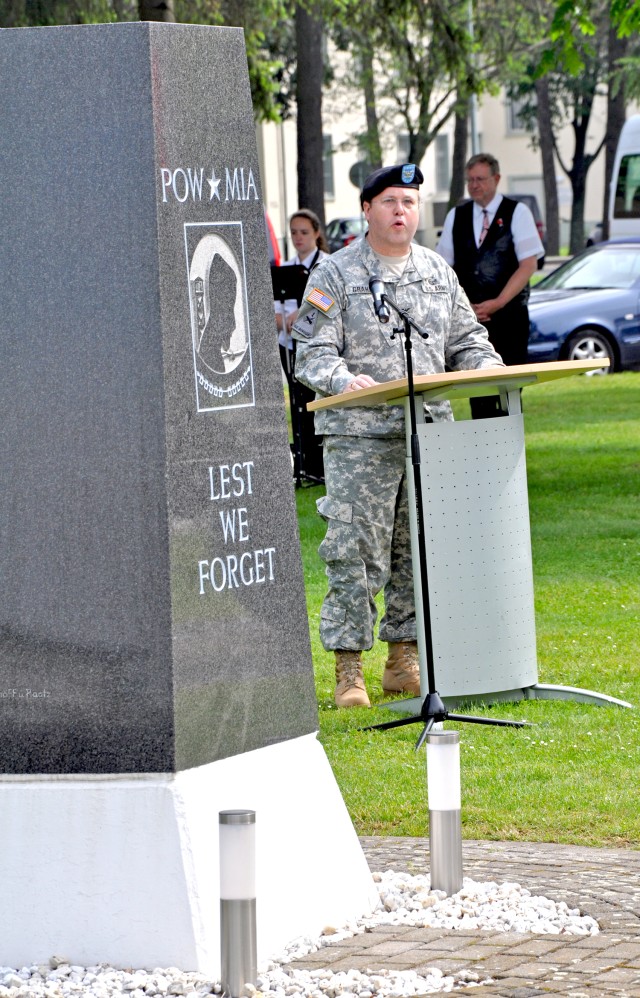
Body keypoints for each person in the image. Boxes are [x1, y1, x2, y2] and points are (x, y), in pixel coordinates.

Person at [292, 164, 504, 708]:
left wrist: (491, 370)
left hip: (427, 435)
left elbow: (467, 341)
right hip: (361, 437)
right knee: (355, 551)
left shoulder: (437, 273)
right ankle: (349, 670)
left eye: (409, 201)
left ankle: (402, 658)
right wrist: (344, 379)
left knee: (419, 550)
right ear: (367, 209)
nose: (400, 211)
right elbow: (311, 352)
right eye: (389, 201)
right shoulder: (336, 273)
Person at [436, 153, 545, 418]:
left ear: (496, 179)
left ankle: (510, 449)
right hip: (470, 319)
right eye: (470, 180)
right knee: (479, 388)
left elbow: (528, 264)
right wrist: (464, 306)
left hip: (510, 317)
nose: (474, 185)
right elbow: (444, 267)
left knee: (509, 387)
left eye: (480, 179)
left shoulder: (517, 212)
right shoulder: (457, 215)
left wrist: (498, 303)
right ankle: (484, 448)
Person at [274, 209, 329, 386]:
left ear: (316, 233)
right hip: (289, 344)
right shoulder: (285, 267)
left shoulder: (329, 264)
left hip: (320, 343)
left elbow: (330, 301)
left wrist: (301, 314)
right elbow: (275, 309)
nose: (298, 237)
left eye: (304, 232)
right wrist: (284, 322)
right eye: (294, 232)